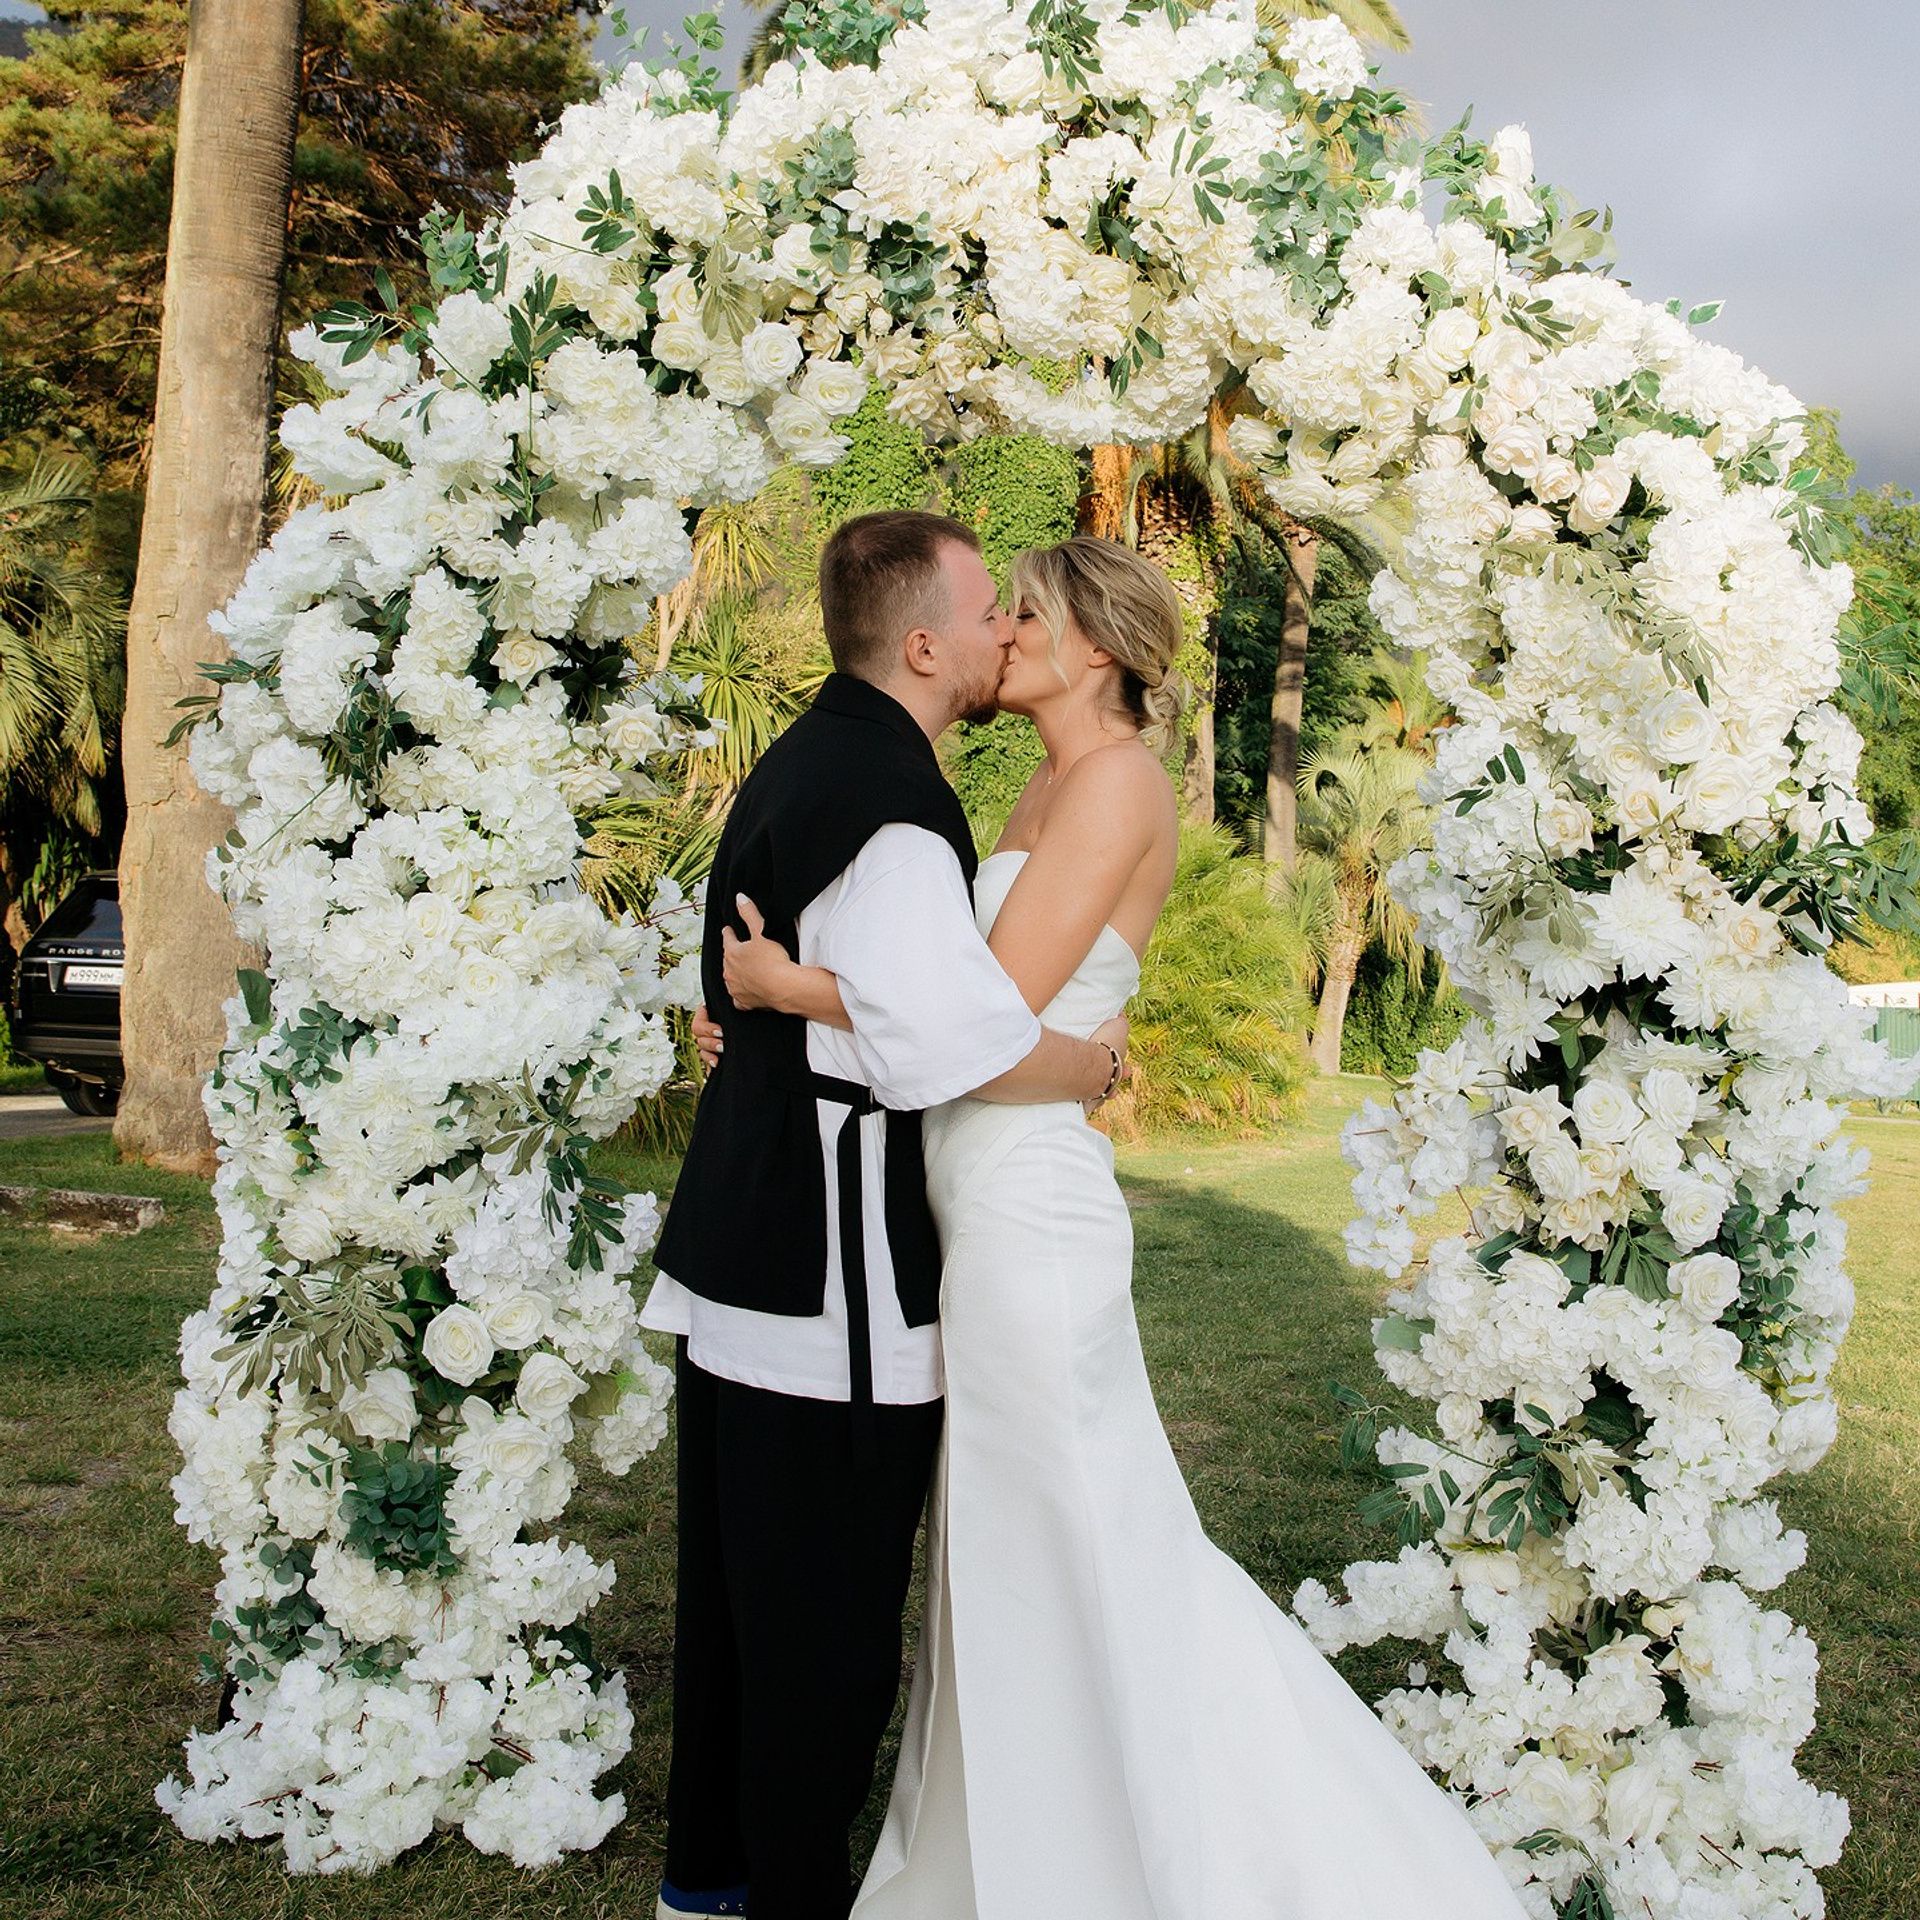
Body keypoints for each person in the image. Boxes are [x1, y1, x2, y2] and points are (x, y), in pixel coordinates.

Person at [716, 536, 1532, 1920]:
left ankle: (1197, 1859)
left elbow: (978, 1018)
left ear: (1096, 647)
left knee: (1085, 1532)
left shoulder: (1118, 783)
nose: (1003, 636)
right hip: (966, 1199)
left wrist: (792, 989)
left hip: (1032, 1209)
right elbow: (955, 997)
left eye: (1025, 616)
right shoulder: (1033, 782)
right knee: (1004, 1544)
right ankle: (1026, 1843)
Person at [642, 510, 1130, 1920]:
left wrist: (773, 1009)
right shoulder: (900, 809)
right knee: (829, 1625)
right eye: (988, 613)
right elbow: (955, 1043)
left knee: (732, 1602)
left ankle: (708, 1881)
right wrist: (1092, 1067)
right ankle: (787, 1892)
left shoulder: (803, 758)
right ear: (922, 642)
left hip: (736, 1240)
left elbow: (772, 963)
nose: (1003, 634)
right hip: (829, 1279)